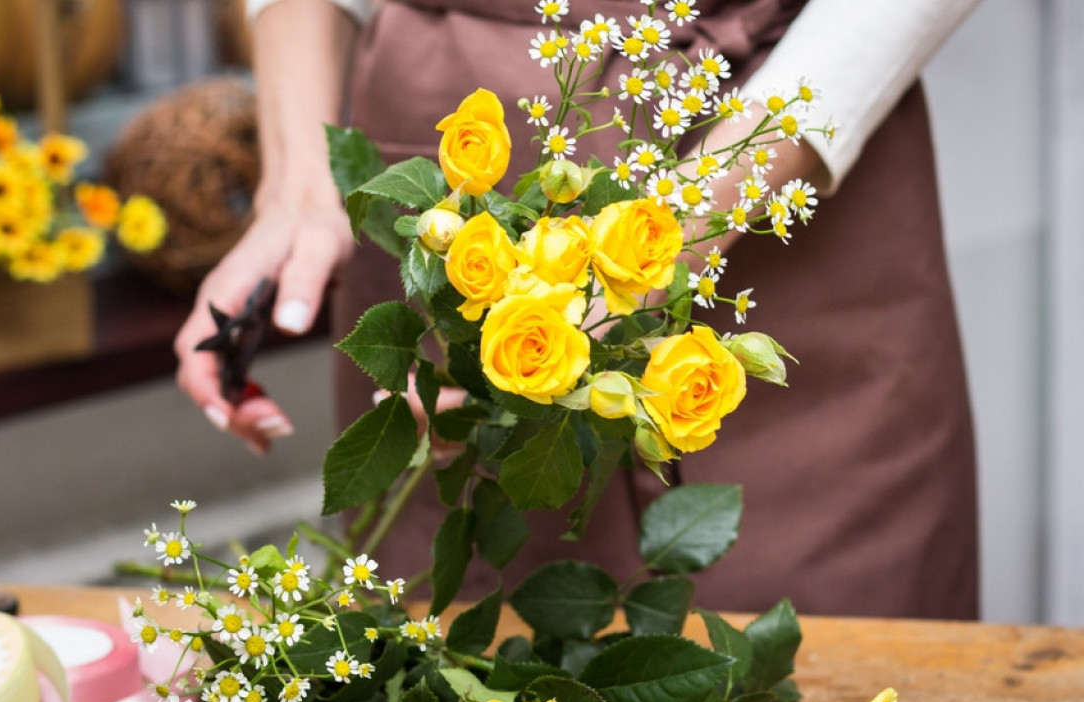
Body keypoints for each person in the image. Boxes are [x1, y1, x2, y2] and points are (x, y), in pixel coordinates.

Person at [174, 0, 983, 619]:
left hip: (781, 168)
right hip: (454, 165)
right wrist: (297, 186)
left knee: (831, 689)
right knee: (472, 681)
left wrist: (676, 233)